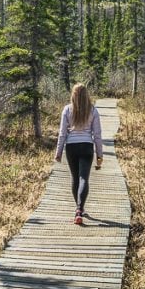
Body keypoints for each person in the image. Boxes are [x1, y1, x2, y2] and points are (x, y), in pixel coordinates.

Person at [54, 83, 103, 225]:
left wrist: (58, 152)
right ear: (86, 95)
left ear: (73, 95)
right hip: (87, 147)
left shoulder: (67, 110)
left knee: (75, 178)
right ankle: (80, 209)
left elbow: (63, 133)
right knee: (83, 179)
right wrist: (99, 155)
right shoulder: (93, 111)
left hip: (71, 147)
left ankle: (78, 210)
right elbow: (98, 135)